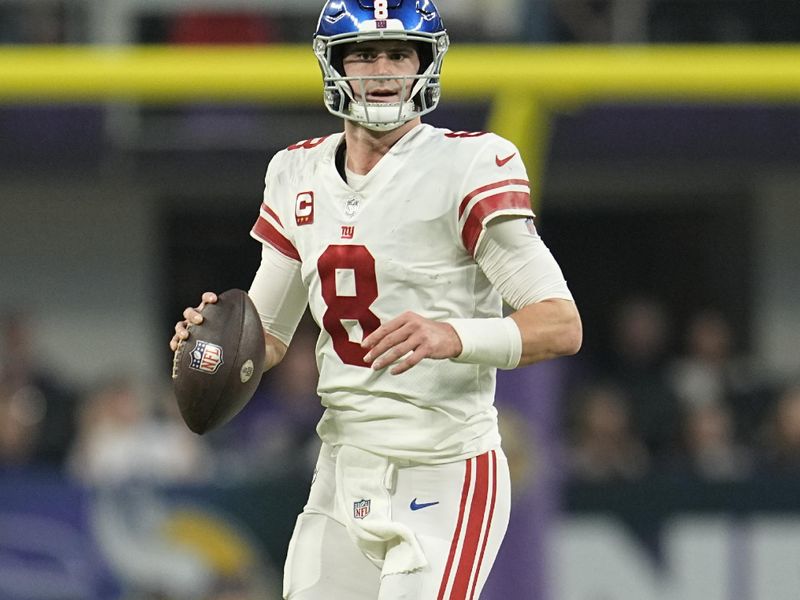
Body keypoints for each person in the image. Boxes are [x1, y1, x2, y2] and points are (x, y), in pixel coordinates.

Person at [170, 1, 581, 598]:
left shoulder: (468, 164)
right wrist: (210, 344)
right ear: (335, 64)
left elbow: (561, 324)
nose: (383, 70)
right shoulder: (296, 172)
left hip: (445, 469)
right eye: (364, 54)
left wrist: (453, 334)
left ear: (424, 64)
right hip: (341, 469)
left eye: (398, 54)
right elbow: (270, 336)